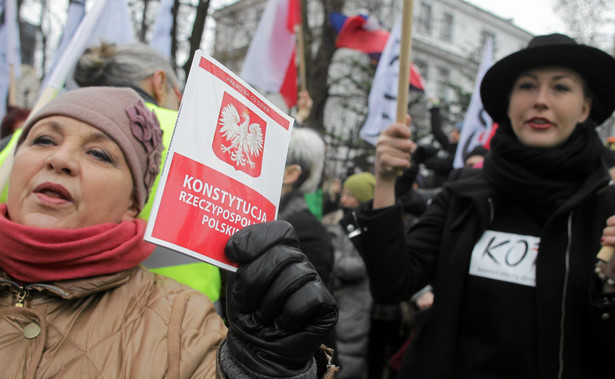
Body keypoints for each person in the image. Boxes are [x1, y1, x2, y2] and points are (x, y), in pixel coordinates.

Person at [0, 86, 338, 377]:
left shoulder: (183, 319)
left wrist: (260, 371)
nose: (61, 159)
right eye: (44, 139)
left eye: (98, 154)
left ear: (134, 201)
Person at [341, 33, 615, 377]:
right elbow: (392, 283)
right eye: (527, 86)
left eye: (560, 88)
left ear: (585, 108)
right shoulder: (464, 193)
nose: (540, 100)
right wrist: (384, 182)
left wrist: (610, 283)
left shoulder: (605, 207)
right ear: (509, 102)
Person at [71, 42, 224, 306]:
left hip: (64, 317)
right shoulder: (200, 137)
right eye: (178, 94)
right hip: (185, 320)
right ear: (159, 81)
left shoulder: (41, 135)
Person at [322, 172, 375, 379]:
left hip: (354, 304)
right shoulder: (333, 219)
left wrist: (330, 256)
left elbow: (358, 266)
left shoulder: (368, 228)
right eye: (343, 194)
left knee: (349, 355)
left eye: (350, 195)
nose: (343, 199)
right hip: (334, 298)